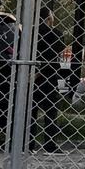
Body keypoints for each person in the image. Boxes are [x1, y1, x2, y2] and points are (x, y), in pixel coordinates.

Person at [31, 15, 63, 153]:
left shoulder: (30, 33)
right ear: (49, 19)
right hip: (48, 76)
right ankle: (49, 145)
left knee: (30, 111)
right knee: (50, 111)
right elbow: (56, 52)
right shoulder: (55, 33)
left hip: (30, 75)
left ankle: (28, 144)